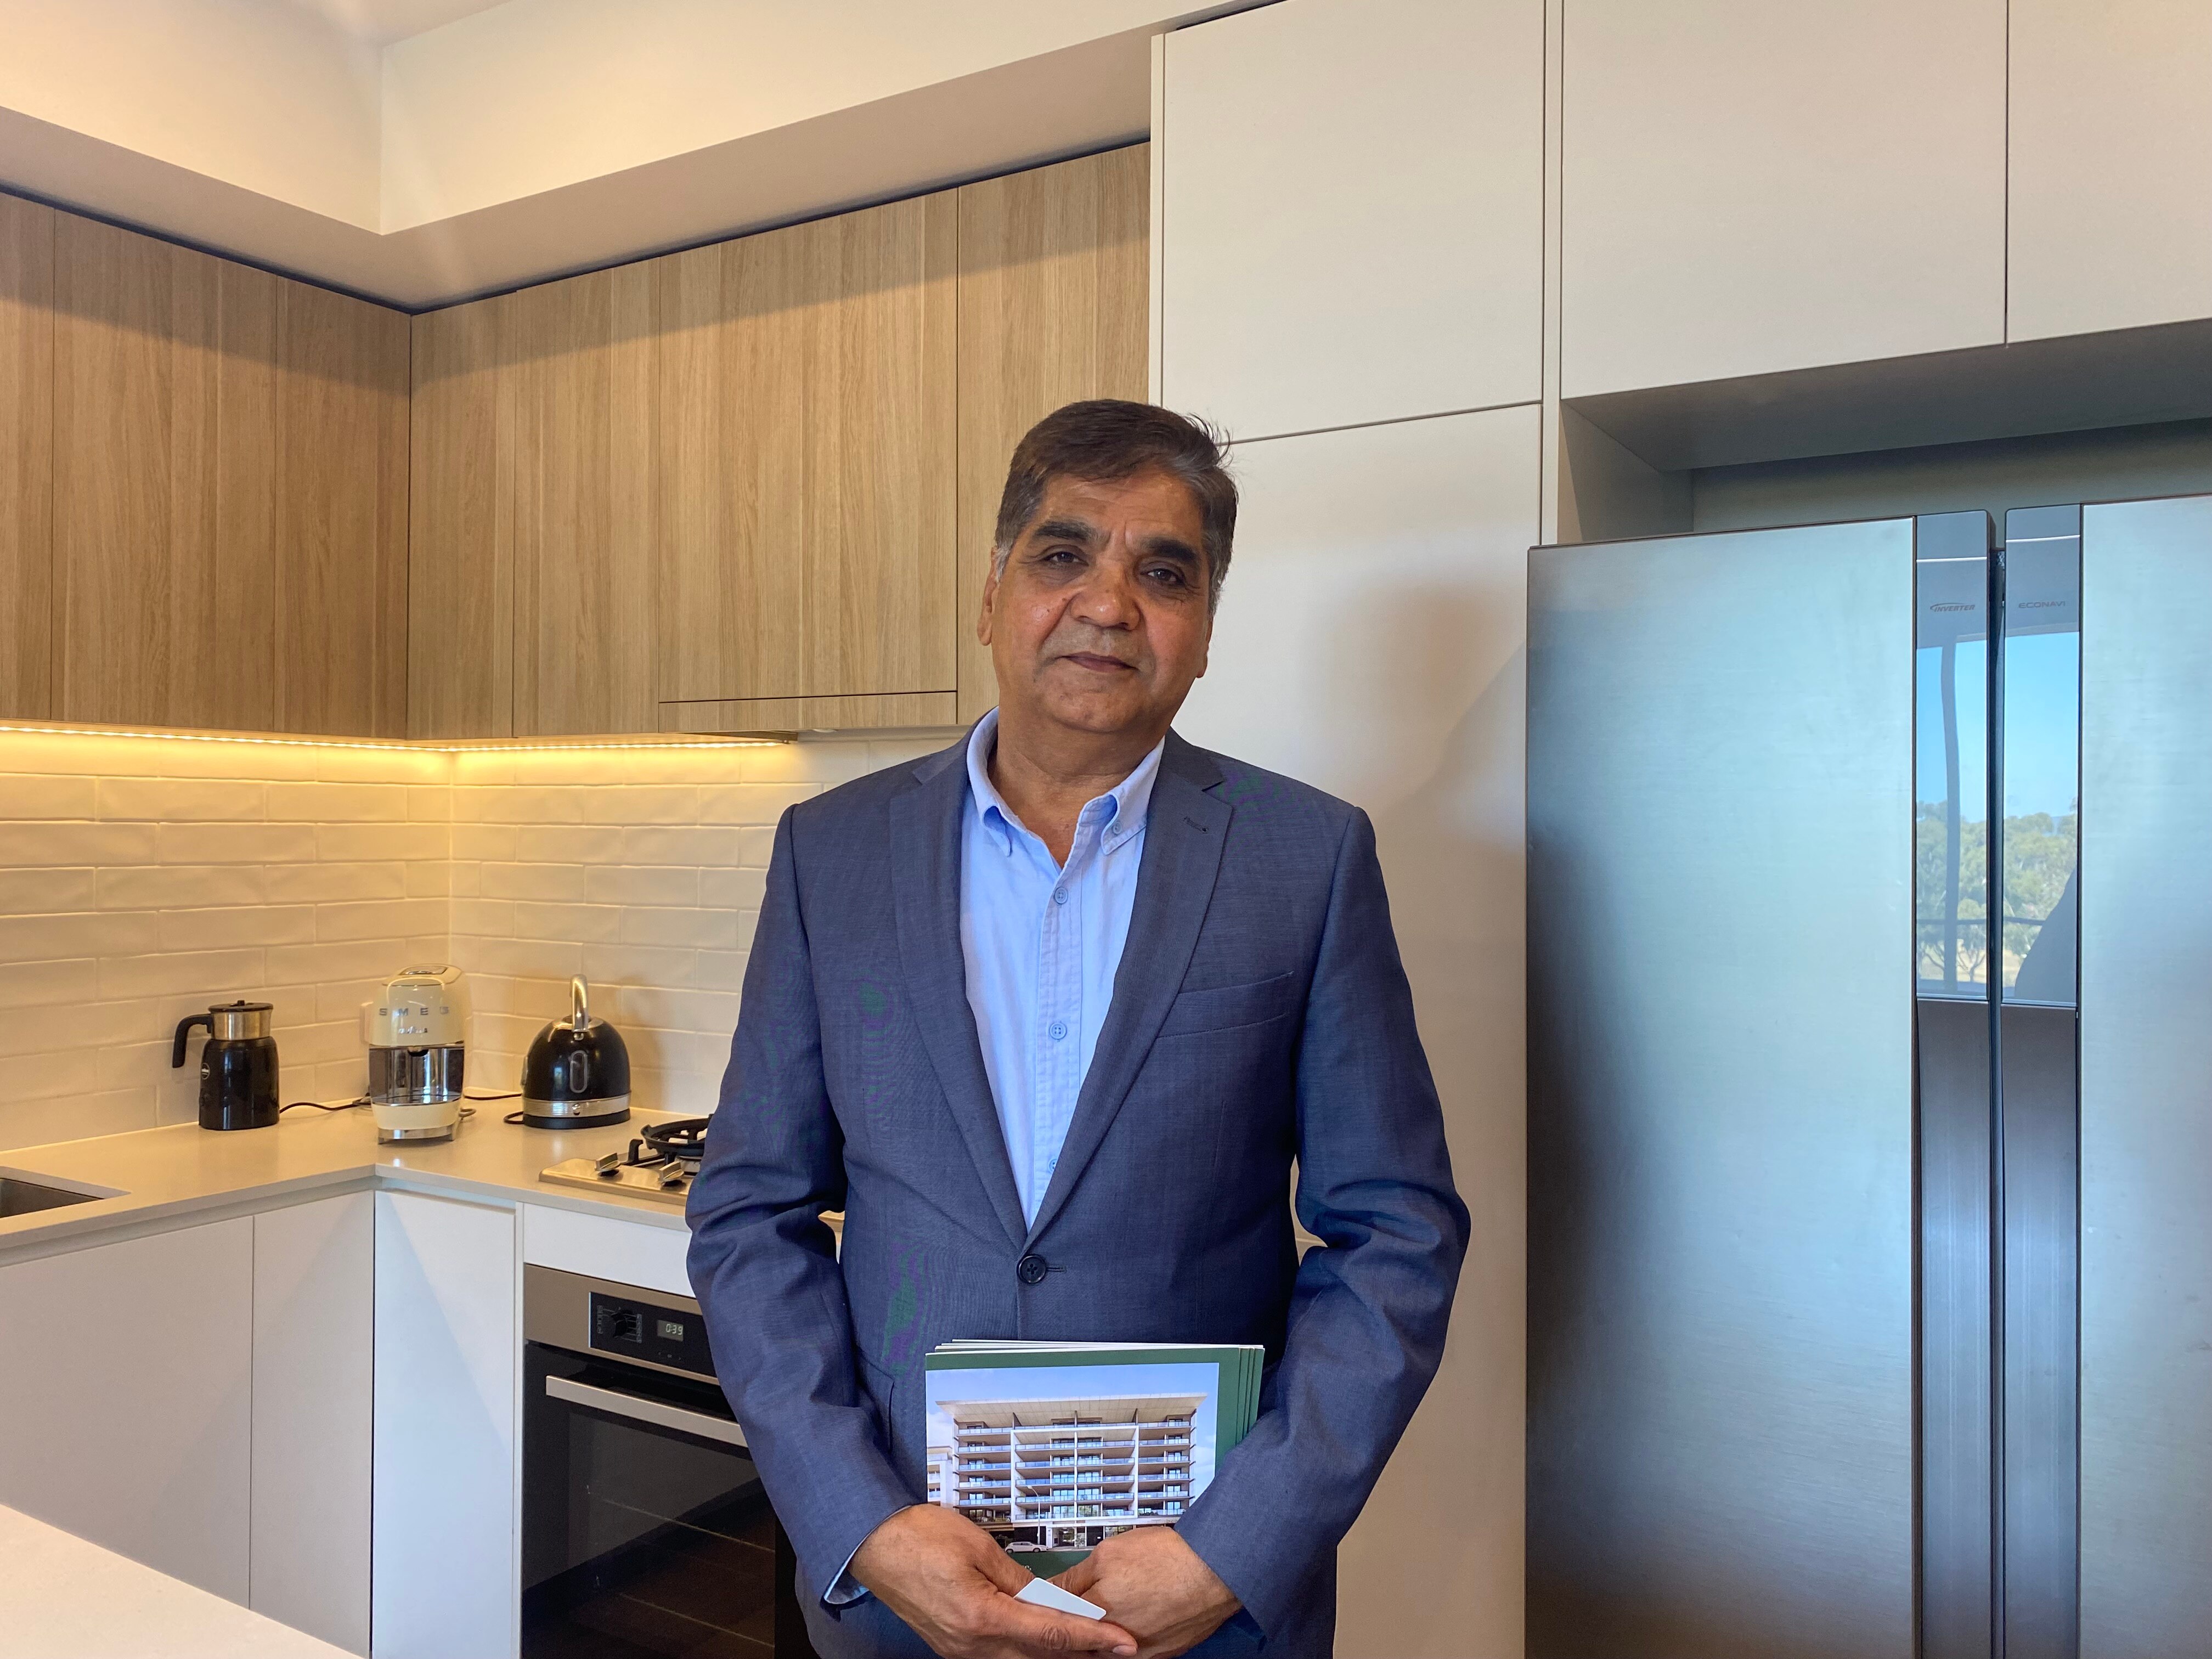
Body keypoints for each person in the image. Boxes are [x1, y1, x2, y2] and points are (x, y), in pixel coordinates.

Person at [687, 399, 1469, 1659]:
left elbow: (1397, 1235)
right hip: (907, 1578)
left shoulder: (1308, 858)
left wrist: (1240, 1544)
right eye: (1063, 555)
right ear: (993, 593)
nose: (1109, 602)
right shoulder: (829, 854)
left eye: (1165, 571)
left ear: (1204, 628)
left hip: (1195, 1600)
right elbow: (748, 1214)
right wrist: (865, 1523)